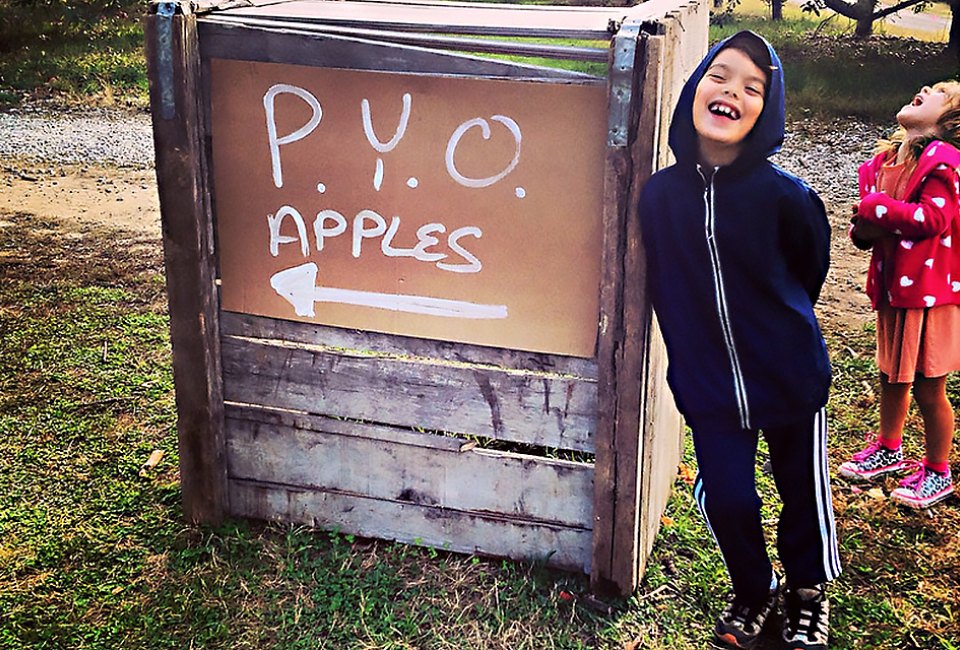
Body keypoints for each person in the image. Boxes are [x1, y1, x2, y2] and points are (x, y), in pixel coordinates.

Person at [639, 31, 841, 650]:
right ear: (694, 90)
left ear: (767, 110)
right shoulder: (659, 197)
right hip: (707, 383)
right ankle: (754, 589)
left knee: (802, 494)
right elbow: (662, 283)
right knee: (728, 497)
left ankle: (807, 592)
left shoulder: (786, 198)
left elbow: (811, 269)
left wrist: (777, 334)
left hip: (787, 378)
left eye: (753, 87)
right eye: (720, 76)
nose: (732, 92)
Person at [838, 81, 960, 509]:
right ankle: (889, 449)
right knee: (891, 374)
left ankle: (938, 471)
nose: (925, 87)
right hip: (893, 289)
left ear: (951, 121)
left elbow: (932, 219)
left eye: (940, 91)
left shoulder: (945, 162)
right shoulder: (882, 164)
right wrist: (866, 225)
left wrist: (873, 212)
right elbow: (865, 231)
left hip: (930, 294)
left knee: (929, 388)